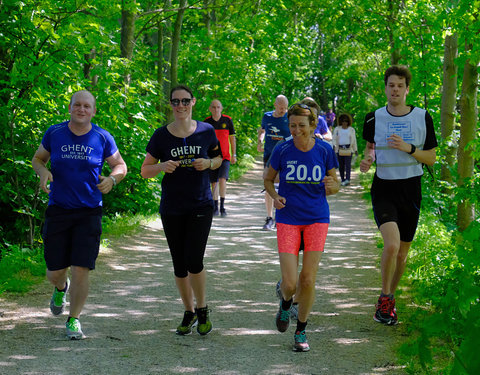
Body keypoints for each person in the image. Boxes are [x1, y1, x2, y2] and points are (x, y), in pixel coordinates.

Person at [31, 90, 127, 340]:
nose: (81, 109)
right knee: (54, 272)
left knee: (81, 267)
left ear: (93, 111)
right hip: (59, 210)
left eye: (87, 106)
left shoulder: (102, 137)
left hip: (89, 211)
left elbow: (120, 165)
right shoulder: (55, 133)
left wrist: (113, 180)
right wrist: (43, 172)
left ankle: (74, 319)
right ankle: (61, 287)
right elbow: (38, 159)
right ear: (70, 108)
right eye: (77, 105)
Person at [141, 85, 222, 336]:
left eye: (185, 101)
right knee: (179, 264)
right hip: (172, 207)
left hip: (200, 204)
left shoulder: (207, 131)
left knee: (194, 260)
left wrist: (209, 163)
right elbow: (145, 170)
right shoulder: (161, 136)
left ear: (193, 102)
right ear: (170, 105)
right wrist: (161, 166)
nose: (180, 106)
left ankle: (203, 308)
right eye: (175, 102)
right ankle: (188, 312)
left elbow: (220, 159)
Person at [360, 65, 437, 325]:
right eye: (391, 85)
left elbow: (432, 158)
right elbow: (370, 149)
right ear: (385, 88)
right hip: (384, 188)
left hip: (411, 189)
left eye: (400, 85)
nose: (395, 89)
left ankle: (390, 298)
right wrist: (367, 159)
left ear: (406, 89)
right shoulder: (373, 118)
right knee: (391, 245)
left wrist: (409, 148)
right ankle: (384, 297)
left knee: (403, 254)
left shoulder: (422, 117)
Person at [264, 103, 340, 352]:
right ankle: (286, 304)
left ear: (313, 125)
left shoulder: (325, 149)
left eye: (301, 126)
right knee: (290, 283)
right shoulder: (282, 148)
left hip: (317, 218)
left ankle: (301, 330)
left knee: (307, 280)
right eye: (292, 125)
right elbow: (268, 178)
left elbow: (336, 184)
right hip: (288, 219)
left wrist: (333, 186)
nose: (296, 130)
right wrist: (275, 196)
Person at [258, 95, 290, 230]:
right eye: (281, 107)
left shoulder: (289, 117)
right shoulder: (267, 116)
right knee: (268, 184)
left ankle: (281, 217)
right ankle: (269, 217)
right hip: (269, 155)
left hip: (285, 156)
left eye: (285, 108)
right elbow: (262, 130)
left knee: (284, 185)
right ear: (275, 105)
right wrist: (259, 140)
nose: (283, 110)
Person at [204, 99, 236, 217]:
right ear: (210, 109)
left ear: (221, 108)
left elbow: (232, 138)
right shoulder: (207, 122)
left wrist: (234, 154)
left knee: (222, 180)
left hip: (225, 157)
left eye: (218, 107)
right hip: (212, 157)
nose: (216, 109)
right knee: (214, 182)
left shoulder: (227, 120)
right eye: (213, 107)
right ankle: (215, 207)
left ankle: (223, 207)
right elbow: (204, 141)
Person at [332, 113, 358, 186]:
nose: (344, 122)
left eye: (346, 121)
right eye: (343, 121)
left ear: (348, 122)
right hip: (339, 149)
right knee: (341, 165)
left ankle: (348, 180)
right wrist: (334, 147)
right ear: (340, 121)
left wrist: (355, 150)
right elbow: (334, 139)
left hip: (349, 149)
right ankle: (343, 179)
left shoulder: (351, 129)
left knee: (348, 165)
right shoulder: (337, 129)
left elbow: (354, 140)